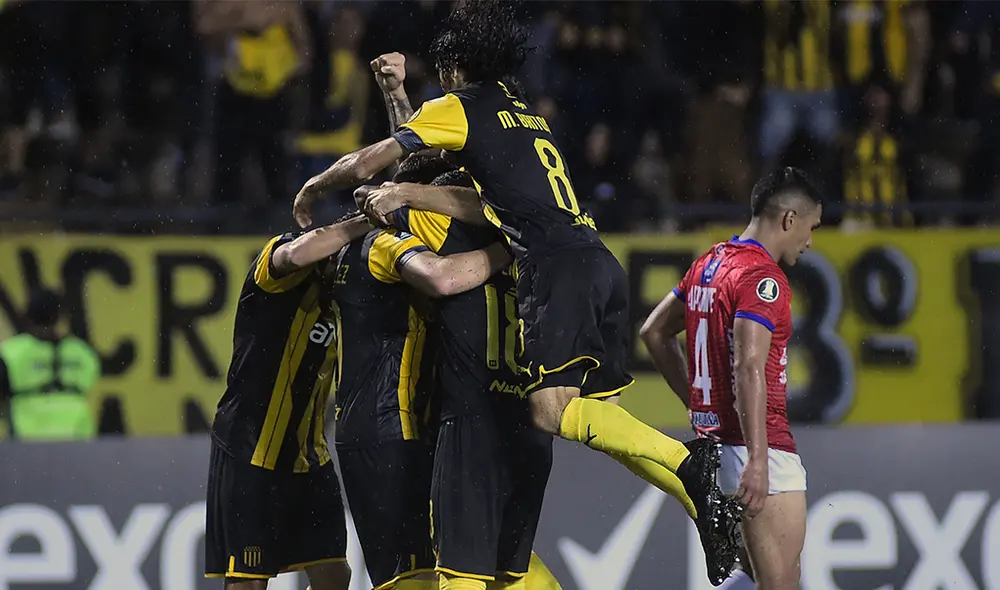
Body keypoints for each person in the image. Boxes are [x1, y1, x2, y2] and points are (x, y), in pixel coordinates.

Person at [292, 1, 740, 584]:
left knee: (549, 411)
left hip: (512, 341)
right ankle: (699, 494)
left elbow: (389, 164)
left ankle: (688, 464)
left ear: (452, 67)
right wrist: (401, 123)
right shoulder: (525, 121)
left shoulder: (457, 114)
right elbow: (444, 181)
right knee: (580, 414)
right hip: (595, 261)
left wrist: (315, 186)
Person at [360, 163, 562, 590]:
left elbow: (373, 199)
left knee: (462, 579)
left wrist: (405, 190)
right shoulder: (541, 237)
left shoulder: (443, 232)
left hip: (473, 426)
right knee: (509, 579)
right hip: (530, 428)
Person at [332, 155, 510, 590]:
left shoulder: (358, 244)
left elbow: (413, 171)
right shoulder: (385, 244)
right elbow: (442, 278)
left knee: (409, 574)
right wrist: (510, 247)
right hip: (390, 427)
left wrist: (397, 99)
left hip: (373, 426)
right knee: (411, 579)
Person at [640, 167, 821, 590]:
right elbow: (747, 367)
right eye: (811, 228)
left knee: (751, 574)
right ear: (789, 219)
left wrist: (697, 401)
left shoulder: (709, 262)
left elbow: (653, 332)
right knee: (780, 583)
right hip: (759, 449)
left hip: (716, 449)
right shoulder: (763, 278)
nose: (809, 242)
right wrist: (758, 460)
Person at [205, 213, 372, 589]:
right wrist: (369, 220)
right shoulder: (275, 270)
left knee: (335, 573)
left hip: (308, 452)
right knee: (249, 581)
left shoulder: (343, 305)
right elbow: (297, 253)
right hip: (250, 448)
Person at [0, 288, 101, 440]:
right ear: (59, 316)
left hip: (28, 445)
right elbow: (90, 382)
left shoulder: (11, 352)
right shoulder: (81, 352)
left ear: (28, 315)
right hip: (77, 442)